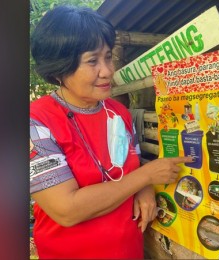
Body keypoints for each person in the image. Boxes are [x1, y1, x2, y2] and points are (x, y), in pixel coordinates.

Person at [29, 5, 193, 259]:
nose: (107, 71)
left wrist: (145, 188)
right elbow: (67, 209)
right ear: (60, 69)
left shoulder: (119, 112)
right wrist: (147, 177)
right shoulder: (36, 122)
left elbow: (132, 164)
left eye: (108, 57)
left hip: (127, 249)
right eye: (92, 61)